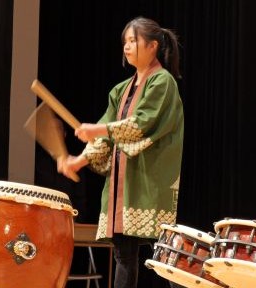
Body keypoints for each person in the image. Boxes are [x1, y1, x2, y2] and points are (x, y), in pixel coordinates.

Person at [59, 16, 184, 288]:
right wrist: (77, 161)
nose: (126, 47)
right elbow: (106, 134)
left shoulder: (162, 82)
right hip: (123, 183)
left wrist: (98, 130)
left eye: (133, 41)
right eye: (125, 42)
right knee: (124, 256)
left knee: (162, 253)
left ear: (152, 46)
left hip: (152, 181)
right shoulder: (121, 90)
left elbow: (139, 124)